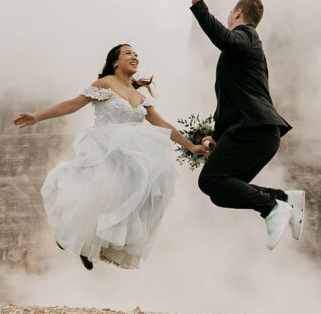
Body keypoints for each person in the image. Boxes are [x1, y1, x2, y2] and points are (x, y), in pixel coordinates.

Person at [14, 44, 209, 269]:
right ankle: (75, 235)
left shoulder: (140, 96)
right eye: (128, 53)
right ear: (115, 62)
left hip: (133, 154)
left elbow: (162, 124)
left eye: (136, 54)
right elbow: (73, 104)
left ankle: (93, 244)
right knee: (98, 191)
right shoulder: (105, 84)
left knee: (144, 190)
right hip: (105, 148)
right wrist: (37, 117)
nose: (134, 57)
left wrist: (191, 146)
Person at [190, 0, 305, 250]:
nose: (229, 16)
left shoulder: (247, 36)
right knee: (219, 191)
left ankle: (272, 208)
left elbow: (225, 38)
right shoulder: (244, 51)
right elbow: (232, 102)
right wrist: (215, 137)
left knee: (209, 181)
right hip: (258, 133)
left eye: (231, 12)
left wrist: (199, 6)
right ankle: (284, 199)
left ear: (238, 13)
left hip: (254, 130)